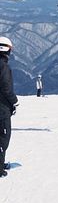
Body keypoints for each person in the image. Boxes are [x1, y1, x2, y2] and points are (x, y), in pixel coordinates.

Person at [0, 37, 18, 178]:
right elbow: (6, 88)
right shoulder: (3, 66)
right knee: (3, 136)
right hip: (2, 107)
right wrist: (14, 101)